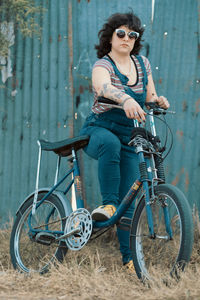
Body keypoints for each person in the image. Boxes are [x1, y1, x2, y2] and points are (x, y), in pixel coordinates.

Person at [80, 10, 169, 273]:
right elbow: (102, 88)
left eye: (132, 34)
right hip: (99, 129)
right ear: (110, 37)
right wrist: (126, 99)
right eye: (121, 33)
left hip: (130, 133)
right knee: (110, 145)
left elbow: (150, 97)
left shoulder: (143, 64)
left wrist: (159, 101)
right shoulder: (102, 65)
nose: (126, 38)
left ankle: (129, 261)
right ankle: (107, 205)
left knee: (129, 198)